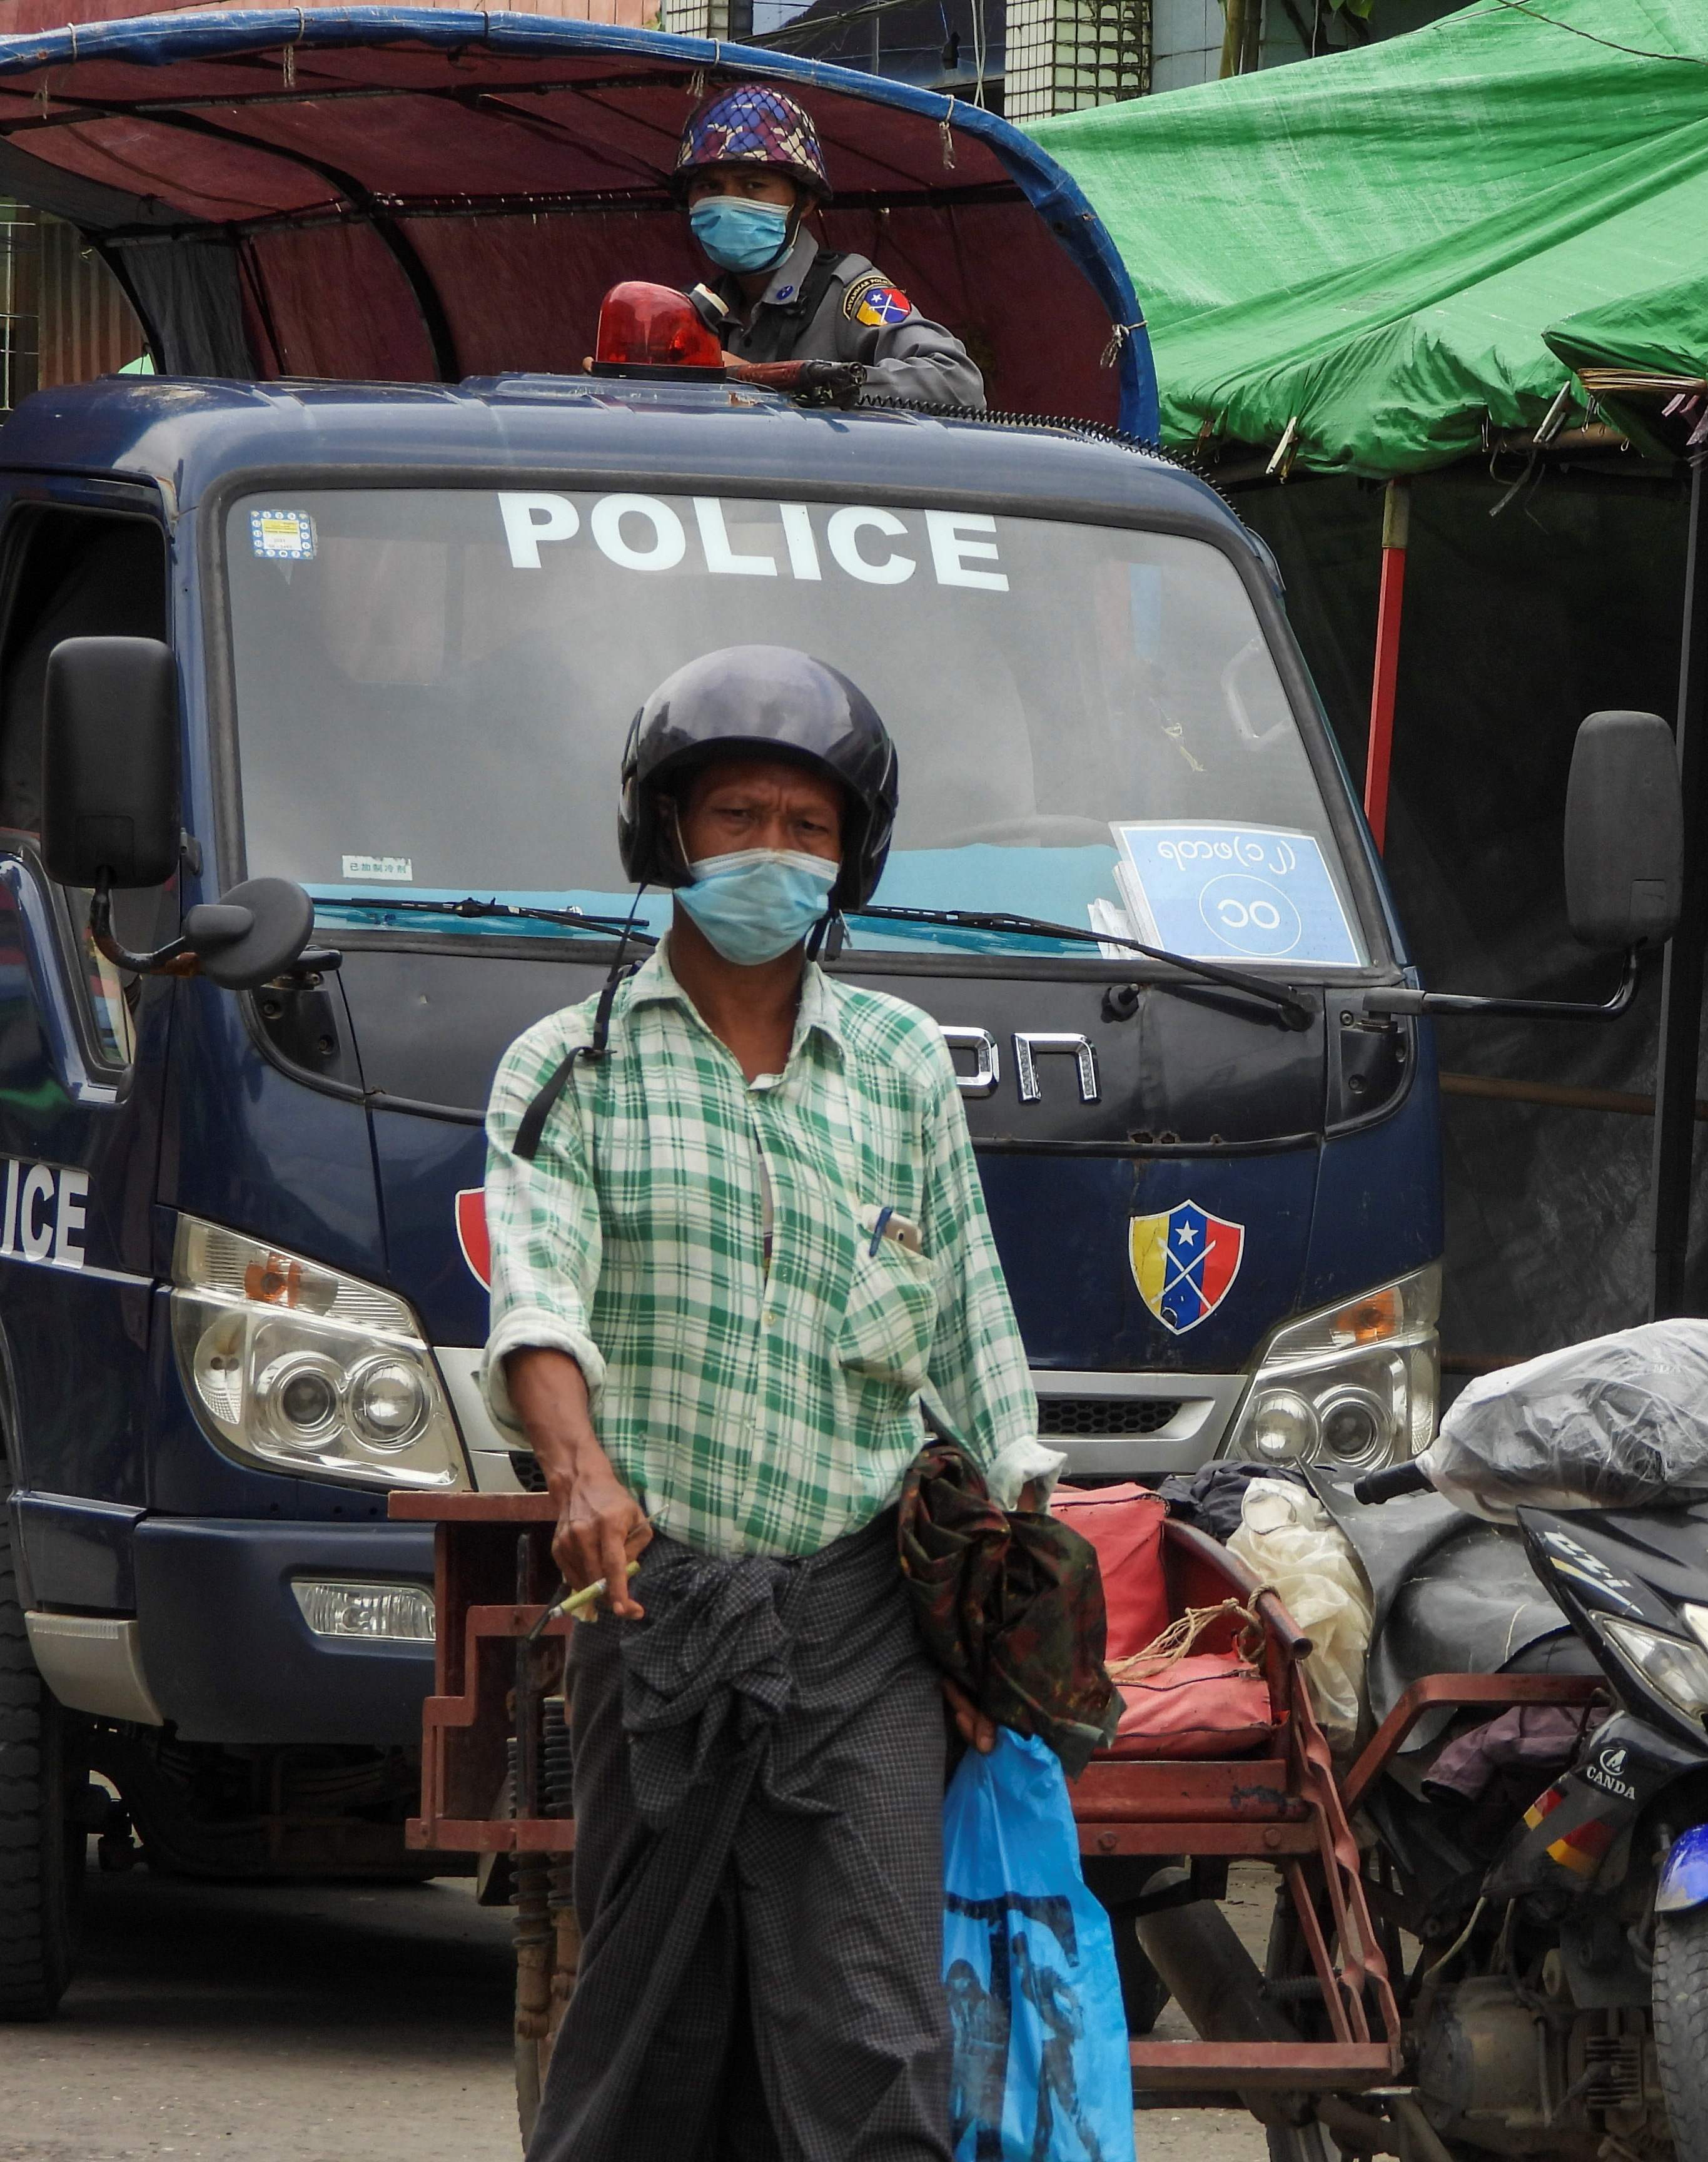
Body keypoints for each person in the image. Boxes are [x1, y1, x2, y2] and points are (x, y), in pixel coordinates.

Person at [487, 644, 1056, 2162]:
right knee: (660, 1999)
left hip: (860, 1607)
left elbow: (972, 1314)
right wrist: (580, 1471)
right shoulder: (570, 1067)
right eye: (736, 817)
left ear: (851, 854)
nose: (770, 854)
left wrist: (1034, 1507)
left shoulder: (901, 1066)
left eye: (806, 828)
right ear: (665, 834)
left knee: (874, 2013)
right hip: (651, 1604)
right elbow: (536, 1292)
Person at [674, 83, 986, 410]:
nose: (728, 203)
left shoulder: (847, 292)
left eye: (754, 185)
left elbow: (957, 383)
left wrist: (806, 382)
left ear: (805, 202)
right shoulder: (694, 311)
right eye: (710, 186)